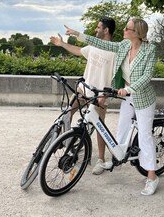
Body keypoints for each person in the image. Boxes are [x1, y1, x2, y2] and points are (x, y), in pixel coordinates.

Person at [64, 17, 159, 196]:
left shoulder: (149, 50)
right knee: (121, 131)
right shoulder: (124, 46)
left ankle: (152, 177)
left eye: (127, 28)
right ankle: (119, 158)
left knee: (145, 136)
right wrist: (77, 34)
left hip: (142, 97)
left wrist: (129, 88)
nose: (123, 30)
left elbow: (146, 77)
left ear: (136, 33)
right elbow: (100, 43)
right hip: (126, 96)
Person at [49, 17, 116, 175]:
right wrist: (62, 44)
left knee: (100, 126)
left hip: (100, 95)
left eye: (98, 27)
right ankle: (65, 144)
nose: (96, 30)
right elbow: (79, 51)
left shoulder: (114, 50)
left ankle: (101, 159)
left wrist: (106, 94)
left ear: (106, 30)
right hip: (83, 90)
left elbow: (117, 75)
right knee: (67, 113)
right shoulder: (94, 46)